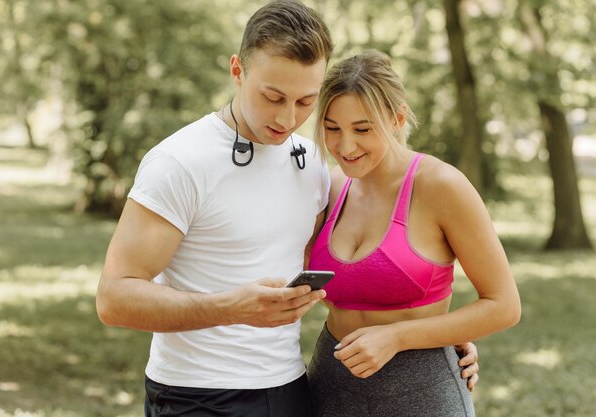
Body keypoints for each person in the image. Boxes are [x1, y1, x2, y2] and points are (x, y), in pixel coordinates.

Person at [95, 2, 480, 416]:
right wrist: (230, 307)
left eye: (305, 102)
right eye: (273, 96)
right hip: (197, 395)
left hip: (292, 390)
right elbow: (114, 299)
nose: (287, 118)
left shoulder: (311, 161)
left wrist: (434, 333)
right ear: (238, 71)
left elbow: (353, 272)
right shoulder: (180, 162)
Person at [306, 49, 522, 417]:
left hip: (421, 389)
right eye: (332, 128)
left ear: (397, 118)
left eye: (362, 129)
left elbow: (504, 305)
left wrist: (399, 335)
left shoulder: (441, 186)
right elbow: (324, 288)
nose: (345, 146)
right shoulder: (329, 187)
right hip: (330, 385)